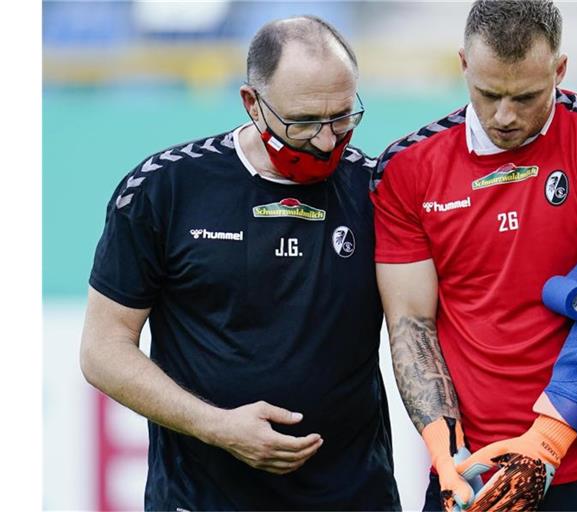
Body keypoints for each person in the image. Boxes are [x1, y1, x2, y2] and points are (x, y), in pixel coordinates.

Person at [79, 15, 400, 511]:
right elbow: (102, 350)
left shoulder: (378, 190)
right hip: (202, 499)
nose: (325, 141)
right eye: (304, 123)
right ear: (252, 103)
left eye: (341, 118)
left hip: (352, 496)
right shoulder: (164, 189)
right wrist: (219, 427)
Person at [371, 1, 577, 510]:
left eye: (527, 96)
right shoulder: (406, 168)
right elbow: (411, 325)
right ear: (463, 65)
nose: (504, 116)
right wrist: (447, 456)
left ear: (560, 69)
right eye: (487, 94)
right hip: (471, 469)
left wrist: (542, 447)